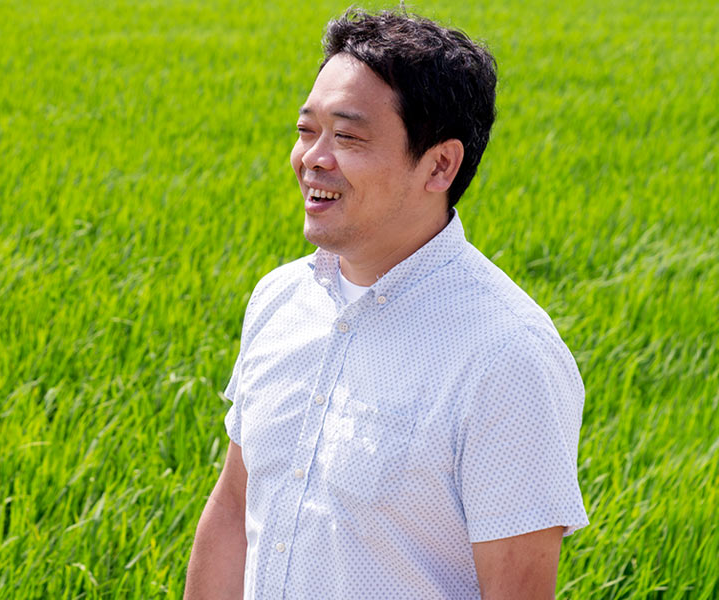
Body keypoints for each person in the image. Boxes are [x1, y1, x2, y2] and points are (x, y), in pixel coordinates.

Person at [184, 8, 588, 600]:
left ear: (440, 164)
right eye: (307, 131)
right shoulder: (280, 299)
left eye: (347, 137)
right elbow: (235, 507)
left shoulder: (505, 356)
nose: (312, 158)